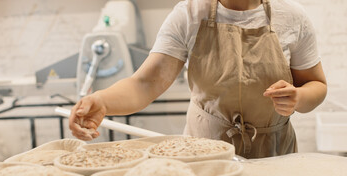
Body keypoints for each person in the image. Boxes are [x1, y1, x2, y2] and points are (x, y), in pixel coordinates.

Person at [69, 0, 327, 159]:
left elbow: (317, 85)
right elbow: (144, 84)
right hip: (204, 155)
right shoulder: (188, 15)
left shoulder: (292, 17)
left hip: (274, 157)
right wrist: (102, 100)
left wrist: (299, 97)